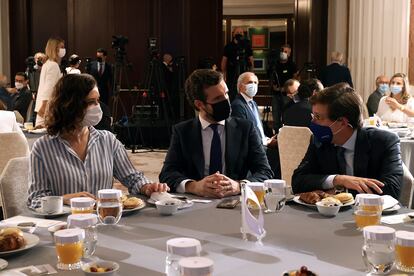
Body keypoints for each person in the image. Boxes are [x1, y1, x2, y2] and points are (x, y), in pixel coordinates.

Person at [27, 74, 168, 209]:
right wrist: (64, 199)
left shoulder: (108, 140)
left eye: (98, 100)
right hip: (65, 225)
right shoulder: (43, 147)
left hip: (105, 219)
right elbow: (36, 200)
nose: (97, 107)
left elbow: (132, 178)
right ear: (69, 105)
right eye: (90, 102)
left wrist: (148, 187)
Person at [159, 69, 273, 197]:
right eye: (218, 98)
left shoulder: (245, 128)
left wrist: (239, 185)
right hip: (195, 204)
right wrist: (194, 186)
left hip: (235, 203)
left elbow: (265, 171)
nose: (226, 101)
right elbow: (167, 174)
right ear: (200, 104)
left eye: (226, 94)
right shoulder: (182, 131)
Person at [292, 83, 402, 199]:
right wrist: (338, 180)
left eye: (318, 117)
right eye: (313, 116)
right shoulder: (319, 141)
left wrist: (340, 192)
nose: (313, 122)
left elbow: (392, 190)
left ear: (342, 122)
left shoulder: (383, 142)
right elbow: (298, 181)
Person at [231, 72, 280, 178]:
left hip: (262, 143)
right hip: (253, 149)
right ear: (240, 86)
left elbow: (257, 128)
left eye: (255, 82)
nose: (253, 85)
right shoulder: (238, 105)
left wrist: (267, 139)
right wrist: (265, 142)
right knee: (279, 157)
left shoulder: (253, 103)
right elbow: (243, 134)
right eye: (249, 82)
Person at [34, 37, 65, 128]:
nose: (63, 50)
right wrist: (44, 107)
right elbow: (48, 88)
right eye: (61, 47)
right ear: (54, 49)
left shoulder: (48, 63)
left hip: (45, 108)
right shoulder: (53, 65)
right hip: (47, 109)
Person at [269, 44, 298, 133]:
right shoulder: (275, 64)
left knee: (287, 116)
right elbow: (270, 77)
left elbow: (296, 79)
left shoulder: (292, 65)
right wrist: (273, 85)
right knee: (276, 117)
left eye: (285, 52)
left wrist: (285, 89)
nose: (283, 53)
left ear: (289, 54)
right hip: (275, 94)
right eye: (282, 51)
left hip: (287, 95)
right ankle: (277, 135)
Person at [221, 27, 253, 101]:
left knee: (244, 95)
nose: (239, 34)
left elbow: (251, 60)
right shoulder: (228, 46)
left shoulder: (247, 45)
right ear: (233, 34)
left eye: (241, 32)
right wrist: (224, 75)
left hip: (244, 73)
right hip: (231, 75)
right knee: (232, 95)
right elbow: (224, 61)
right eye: (237, 32)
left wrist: (251, 74)